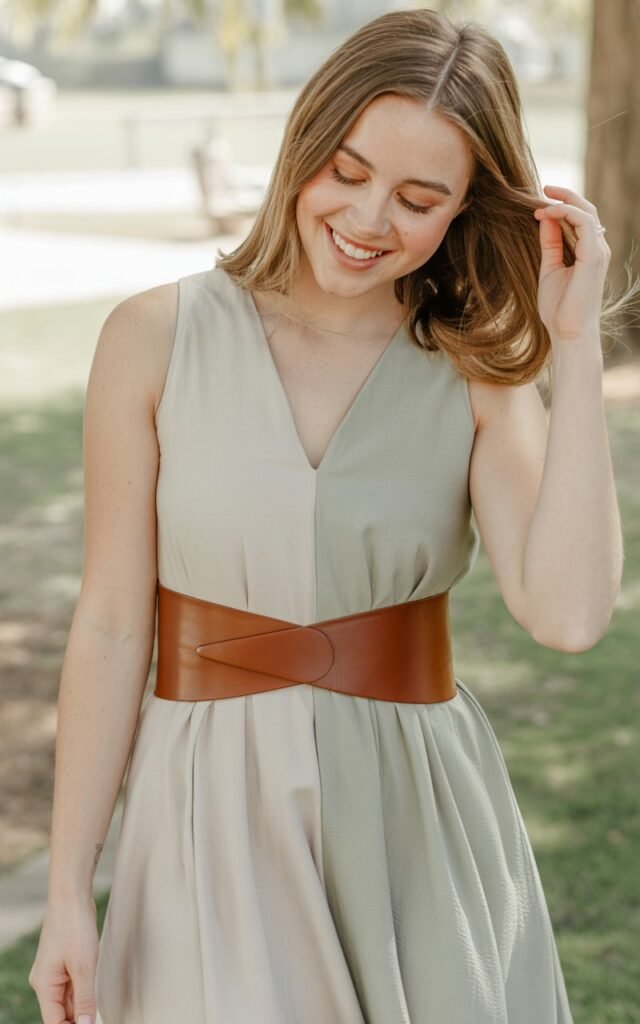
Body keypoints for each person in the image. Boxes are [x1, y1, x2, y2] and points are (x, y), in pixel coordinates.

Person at [28, 8, 636, 1024]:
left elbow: (568, 616)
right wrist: (64, 896)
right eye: (346, 172)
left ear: (462, 211)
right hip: (205, 811)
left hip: (416, 820)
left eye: (416, 197)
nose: (365, 220)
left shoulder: (473, 371)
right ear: (304, 148)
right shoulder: (151, 338)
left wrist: (570, 347)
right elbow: (110, 625)